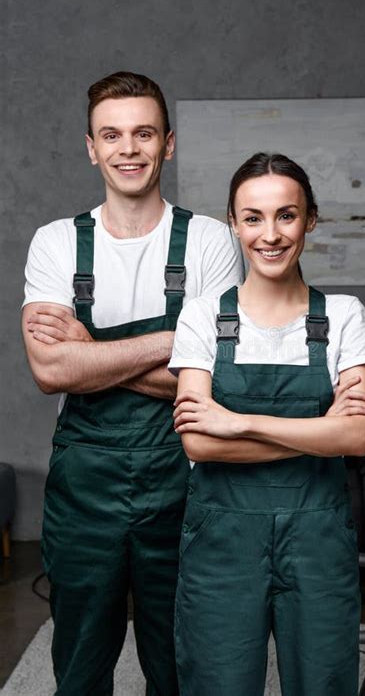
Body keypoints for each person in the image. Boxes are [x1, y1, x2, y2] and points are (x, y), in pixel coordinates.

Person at [21, 71, 243, 695]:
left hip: (183, 484)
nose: (128, 149)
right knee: (82, 662)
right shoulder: (57, 243)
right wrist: (176, 344)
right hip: (83, 491)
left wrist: (92, 352)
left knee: (178, 663)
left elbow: (219, 379)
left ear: (167, 144)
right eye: (111, 135)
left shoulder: (209, 241)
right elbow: (50, 371)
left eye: (143, 133)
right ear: (91, 147)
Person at [170, 152, 365, 696]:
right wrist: (318, 434)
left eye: (287, 216)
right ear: (234, 224)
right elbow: (198, 440)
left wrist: (237, 424)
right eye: (253, 218)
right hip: (222, 544)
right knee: (216, 683)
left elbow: (356, 437)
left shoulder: (344, 316)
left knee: (323, 683)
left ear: (310, 219)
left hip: (317, 543)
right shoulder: (200, 317)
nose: (271, 234)